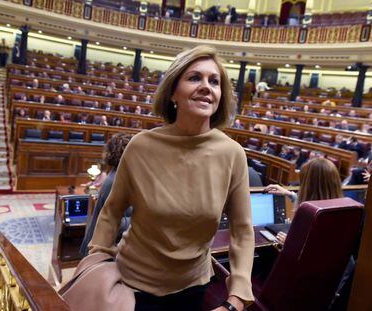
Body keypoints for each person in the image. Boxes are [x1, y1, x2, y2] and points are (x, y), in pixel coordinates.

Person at [89, 46, 254, 310]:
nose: (206, 86)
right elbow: (111, 211)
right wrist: (97, 264)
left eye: (214, 81)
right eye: (194, 78)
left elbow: (243, 231)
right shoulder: (141, 146)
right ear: (173, 92)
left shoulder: (232, 154)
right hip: (131, 285)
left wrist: (236, 300)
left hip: (192, 288)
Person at [264, 158, 343, 243]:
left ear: (309, 187)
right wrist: (290, 194)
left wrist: (290, 242)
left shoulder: (310, 216)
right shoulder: (343, 210)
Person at [80, 133, 134, 256]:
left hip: (103, 244)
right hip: (100, 248)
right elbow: (118, 221)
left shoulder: (120, 174)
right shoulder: (117, 179)